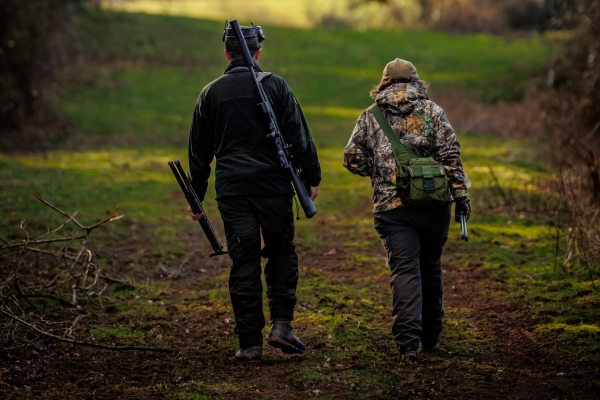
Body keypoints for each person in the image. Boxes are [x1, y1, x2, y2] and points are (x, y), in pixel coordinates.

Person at [186, 23, 321, 365]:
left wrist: (196, 197)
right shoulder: (276, 86)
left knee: (243, 260)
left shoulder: (210, 93)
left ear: (226, 53)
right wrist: (311, 177)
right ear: (257, 51)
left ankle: (249, 343)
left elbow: (199, 154)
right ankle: (282, 326)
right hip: (274, 187)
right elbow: (300, 136)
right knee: (281, 251)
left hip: (232, 191)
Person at [343, 59, 470, 363]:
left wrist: (380, 173)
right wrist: (461, 195)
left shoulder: (370, 116)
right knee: (429, 265)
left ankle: (407, 345)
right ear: (416, 82)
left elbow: (351, 159)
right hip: (434, 206)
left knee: (404, 270)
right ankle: (431, 336)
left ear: (384, 83)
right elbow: (450, 155)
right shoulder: (433, 112)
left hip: (391, 209)